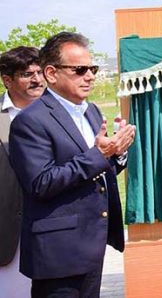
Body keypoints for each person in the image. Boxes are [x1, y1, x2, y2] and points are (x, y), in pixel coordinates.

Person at [10, 31, 136, 297]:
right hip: (59, 251)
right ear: (52, 74)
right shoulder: (30, 121)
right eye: (80, 70)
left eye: (92, 68)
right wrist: (100, 155)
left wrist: (117, 154)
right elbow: (41, 183)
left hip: (92, 241)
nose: (89, 76)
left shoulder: (91, 111)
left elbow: (96, 169)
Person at [0, 46, 45, 297]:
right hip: (7, 234)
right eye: (28, 74)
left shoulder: (61, 114)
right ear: (7, 80)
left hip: (52, 230)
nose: (37, 79)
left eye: (40, 72)